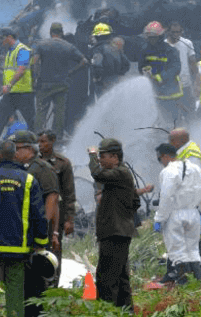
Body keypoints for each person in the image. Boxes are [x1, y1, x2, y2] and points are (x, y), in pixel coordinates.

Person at [0, 140, 48, 317]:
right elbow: (39, 215)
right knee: (14, 288)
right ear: (15, 155)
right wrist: (40, 242)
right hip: (17, 247)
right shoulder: (28, 180)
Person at [8, 130, 58, 317]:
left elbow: (52, 198)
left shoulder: (41, 168)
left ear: (29, 149)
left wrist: (43, 230)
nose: (14, 153)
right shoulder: (19, 168)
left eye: (17, 149)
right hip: (19, 232)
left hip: (33, 233)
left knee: (34, 279)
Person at [87, 138, 139, 311]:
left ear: (115, 157)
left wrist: (92, 156)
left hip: (115, 233)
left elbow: (98, 174)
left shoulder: (120, 173)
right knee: (120, 276)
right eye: (99, 156)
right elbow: (135, 201)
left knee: (106, 278)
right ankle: (126, 310)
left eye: (103, 156)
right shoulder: (121, 176)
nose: (101, 160)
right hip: (120, 232)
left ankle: (108, 312)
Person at [153, 143, 201, 284]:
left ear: (165, 156)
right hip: (194, 214)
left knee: (178, 251)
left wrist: (159, 219)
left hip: (175, 215)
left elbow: (166, 197)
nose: (160, 163)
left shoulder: (168, 172)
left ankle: (184, 283)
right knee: (193, 250)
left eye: (159, 159)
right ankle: (197, 281)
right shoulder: (195, 168)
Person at [32, 22, 88, 136]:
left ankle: (38, 136)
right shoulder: (68, 46)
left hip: (44, 84)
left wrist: (35, 77)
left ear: (50, 32)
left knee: (41, 111)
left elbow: (35, 62)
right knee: (59, 112)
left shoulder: (41, 45)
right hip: (62, 84)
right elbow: (84, 61)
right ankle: (57, 137)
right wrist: (71, 72)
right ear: (61, 33)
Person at [38, 130, 76, 287]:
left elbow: (69, 193)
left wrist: (69, 219)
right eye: (38, 142)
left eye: (44, 141)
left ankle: (53, 284)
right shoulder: (34, 162)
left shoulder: (63, 163)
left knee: (54, 251)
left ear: (52, 141)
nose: (40, 145)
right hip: (38, 214)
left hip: (56, 216)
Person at [0, 28, 36, 141]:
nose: (0, 41)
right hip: (11, 93)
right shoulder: (10, 51)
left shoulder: (23, 50)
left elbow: (21, 69)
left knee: (31, 121)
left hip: (24, 93)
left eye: (2, 38)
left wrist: (8, 85)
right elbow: (10, 71)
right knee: (0, 117)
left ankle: (37, 142)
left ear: (9, 37)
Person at [138, 21, 183, 126]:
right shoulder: (145, 50)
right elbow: (141, 67)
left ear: (160, 36)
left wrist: (160, 77)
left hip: (171, 93)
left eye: (154, 37)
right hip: (153, 92)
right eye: (149, 37)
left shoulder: (171, 51)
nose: (151, 40)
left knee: (173, 120)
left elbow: (176, 68)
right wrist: (146, 72)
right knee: (156, 120)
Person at [165, 22, 197, 120]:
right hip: (170, 84)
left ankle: (192, 130)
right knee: (171, 110)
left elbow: (192, 62)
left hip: (185, 83)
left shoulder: (187, 43)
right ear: (168, 32)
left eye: (178, 32)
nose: (176, 34)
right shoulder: (164, 44)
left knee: (190, 109)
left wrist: (196, 81)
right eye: (173, 32)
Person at [90, 23, 130, 98]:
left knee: (103, 104)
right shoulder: (115, 48)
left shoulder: (98, 49)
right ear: (109, 35)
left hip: (103, 83)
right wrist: (119, 75)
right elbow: (127, 64)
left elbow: (97, 64)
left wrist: (97, 78)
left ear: (96, 36)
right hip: (117, 82)